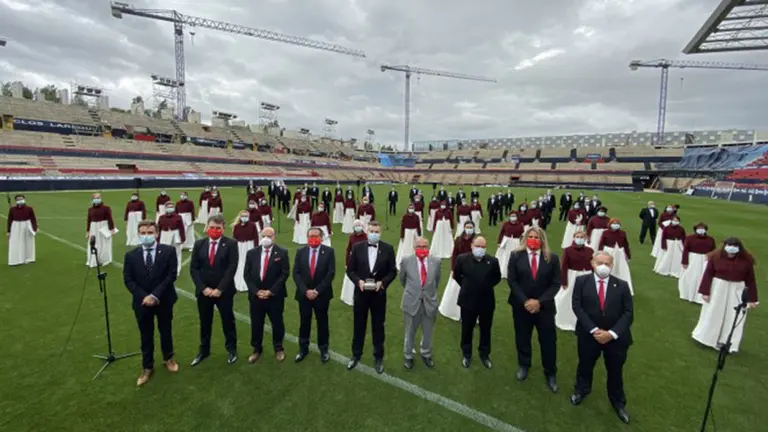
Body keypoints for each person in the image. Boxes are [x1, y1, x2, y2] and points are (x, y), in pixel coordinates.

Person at [570, 251, 634, 425]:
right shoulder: (581, 282)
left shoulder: (622, 285)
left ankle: (618, 402)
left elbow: (628, 313)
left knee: (615, 371)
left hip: (615, 339)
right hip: (588, 336)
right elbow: (577, 307)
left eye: (607, 263)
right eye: (600, 263)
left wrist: (611, 334)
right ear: (592, 263)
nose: (603, 266)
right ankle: (581, 390)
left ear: (612, 265)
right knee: (585, 365)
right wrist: (594, 330)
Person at [122, 220, 179, 387]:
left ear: (157, 233)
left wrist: (155, 295)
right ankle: (147, 367)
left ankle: (168, 358)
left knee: (165, 330)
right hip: (142, 303)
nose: (146, 236)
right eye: (143, 233)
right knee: (145, 334)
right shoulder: (131, 255)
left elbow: (171, 275)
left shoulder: (168, 251)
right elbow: (128, 279)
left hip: (164, 299)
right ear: (138, 234)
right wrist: (144, 297)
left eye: (150, 232)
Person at [507, 226, 562, 393]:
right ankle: (524, 365)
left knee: (548, 341)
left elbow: (556, 284)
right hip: (521, 306)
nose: (533, 240)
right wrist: (525, 301)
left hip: (544, 308)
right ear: (525, 238)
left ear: (542, 240)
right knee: (522, 337)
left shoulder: (552, 258)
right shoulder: (516, 256)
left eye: (537, 237)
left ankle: (550, 372)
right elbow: (512, 280)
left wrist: (539, 302)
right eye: (530, 236)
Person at [346, 221, 397, 374]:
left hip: (378, 296)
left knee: (378, 327)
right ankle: (356, 355)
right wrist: (358, 282)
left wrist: (383, 283)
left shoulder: (388, 248)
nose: (374, 234)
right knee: (358, 326)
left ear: (380, 233)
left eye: (377, 231)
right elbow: (350, 270)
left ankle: (378, 357)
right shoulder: (357, 247)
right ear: (367, 232)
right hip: (361, 294)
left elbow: (392, 271)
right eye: (372, 231)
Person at [692, 238, 759, 353]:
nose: (731, 248)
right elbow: (708, 275)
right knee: (713, 312)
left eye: (735, 246)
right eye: (729, 245)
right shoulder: (715, 258)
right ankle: (706, 338)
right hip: (718, 289)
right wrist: (705, 292)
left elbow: (750, 281)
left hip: (736, 290)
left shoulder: (746, 262)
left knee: (733, 316)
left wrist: (753, 299)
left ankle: (727, 342)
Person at [189, 214, 239, 366]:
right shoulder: (199, 244)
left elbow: (232, 268)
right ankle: (204, 350)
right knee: (205, 322)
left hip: (224, 292)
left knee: (228, 321)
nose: (214, 230)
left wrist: (219, 289)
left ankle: (231, 349)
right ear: (207, 227)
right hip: (204, 292)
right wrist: (203, 288)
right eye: (211, 227)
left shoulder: (231, 244)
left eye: (218, 228)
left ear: (223, 228)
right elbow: (194, 268)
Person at [242, 227, 289, 363]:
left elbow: (284, 274)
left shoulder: (282, 253)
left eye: (269, 236)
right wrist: (256, 291)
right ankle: (256, 349)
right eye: (264, 236)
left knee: (277, 322)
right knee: (256, 323)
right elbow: (247, 275)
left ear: (274, 237)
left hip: (275, 296)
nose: (266, 238)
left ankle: (278, 348)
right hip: (256, 296)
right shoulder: (251, 253)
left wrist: (271, 291)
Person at [454, 236, 502, 369]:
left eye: (483, 247)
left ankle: (484, 354)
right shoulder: (462, 259)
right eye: (477, 246)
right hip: (467, 301)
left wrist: (484, 286)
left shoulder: (493, 261)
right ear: (472, 245)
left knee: (485, 329)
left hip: (486, 301)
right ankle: (466, 354)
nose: (480, 249)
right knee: (467, 328)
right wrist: (467, 286)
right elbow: (457, 275)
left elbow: (497, 278)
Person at [293, 228, 336, 363]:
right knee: (304, 322)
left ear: (321, 238)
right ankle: (303, 349)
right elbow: (296, 273)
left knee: (322, 322)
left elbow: (330, 273)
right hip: (304, 295)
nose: (313, 238)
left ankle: (324, 349)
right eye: (310, 236)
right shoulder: (300, 252)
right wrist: (305, 291)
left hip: (321, 295)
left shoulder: (329, 252)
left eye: (316, 236)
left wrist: (317, 290)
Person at [399, 237, 440, 370]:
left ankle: (425, 353)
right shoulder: (406, 261)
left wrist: (427, 294)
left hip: (429, 303)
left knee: (428, 332)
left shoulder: (436, 262)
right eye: (419, 246)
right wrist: (414, 292)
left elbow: (436, 281)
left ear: (429, 247)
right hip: (412, 302)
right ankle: (408, 355)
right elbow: (402, 280)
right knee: (410, 332)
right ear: (414, 248)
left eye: (424, 246)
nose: (422, 249)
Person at [555, 231, 593, 331]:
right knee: (568, 295)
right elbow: (563, 266)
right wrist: (564, 281)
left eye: (581, 237)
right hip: (572, 276)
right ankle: (564, 316)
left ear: (585, 239)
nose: (579, 238)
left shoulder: (590, 250)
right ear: (574, 238)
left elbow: (593, 264)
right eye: (577, 236)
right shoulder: (568, 250)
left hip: (586, 275)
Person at [439, 220, 476, 321]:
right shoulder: (459, 239)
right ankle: (453, 311)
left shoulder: (475, 241)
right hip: (459, 269)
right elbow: (454, 254)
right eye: (467, 227)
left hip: (471, 270)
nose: (469, 229)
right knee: (454, 290)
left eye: (471, 227)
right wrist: (453, 269)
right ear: (464, 228)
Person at [678, 223, 716, 304]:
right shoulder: (689, 238)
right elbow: (685, 250)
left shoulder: (710, 239)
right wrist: (684, 261)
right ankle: (689, 294)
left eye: (703, 228)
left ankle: (700, 296)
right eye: (699, 228)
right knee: (691, 276)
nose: (701, 230)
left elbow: (713, 251)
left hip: (705, 260)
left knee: (703, 277)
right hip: (693, 259)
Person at [598, 218, 634, 295]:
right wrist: (600, 254)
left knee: (622, 269)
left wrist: (628, 255)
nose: (615, 225)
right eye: (614, 223)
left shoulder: (622, 233)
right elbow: (601, 244)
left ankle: (623, 288)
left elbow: (626, 245)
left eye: (617, 223)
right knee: (609, 269)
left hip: (620, 253)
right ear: (610, 224)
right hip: (609, 252)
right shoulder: (605, 233)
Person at [340, 220, 367, 306]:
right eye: (356, 225)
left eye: (359, 225)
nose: (357, 227)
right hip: (352, 260)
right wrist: (346, 263)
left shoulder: (366, 237)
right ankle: (348, 297)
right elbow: (348, 250)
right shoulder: (351, 237)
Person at [86, 193, 117, 267]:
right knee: (94, 243)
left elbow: (110, 218)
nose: (97, 199)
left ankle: (105, 259)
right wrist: (87, 231)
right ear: (92, 199)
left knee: (104, 243)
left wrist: (112, 229)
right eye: (95, 198)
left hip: (103, 227)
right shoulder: (90, 209)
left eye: (98, 197)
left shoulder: (106, 208)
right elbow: (89, 220)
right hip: (93, 228)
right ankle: (94, 259)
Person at [7, 194, 38, 266]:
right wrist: (8, 231)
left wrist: (34, 228)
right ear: (16, 201)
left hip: (27, 225)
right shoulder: (12, 209)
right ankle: (16, 259)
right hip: (16, 226)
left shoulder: (29, 209)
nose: (20, 200)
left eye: (21, 199)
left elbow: (33, 219)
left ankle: (29, 258)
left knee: (28, 242)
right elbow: (9, 220)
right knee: (15, 242)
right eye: (18, 199)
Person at [233, 210, 259, 293]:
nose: (244, 217)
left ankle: (249, 281)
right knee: (240, 262)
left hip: (249, 245)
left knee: (248, 262)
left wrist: (256, 248)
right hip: (240, 245)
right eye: (243, 216)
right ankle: (239, 280)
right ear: (240, 217)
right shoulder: (237, 226)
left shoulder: (252, 225)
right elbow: (234, 237)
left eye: (246, 216)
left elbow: (256, 237)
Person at [157, 202, 185, 276]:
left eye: (172, 206)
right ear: (165, 208)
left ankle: (177, 269)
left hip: (175, 235)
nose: (170, 208)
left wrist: (182, 238)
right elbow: (159, 229)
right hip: (164, 235)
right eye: (168, 207)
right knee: (164, 252)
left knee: (177, 252)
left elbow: (181, 228)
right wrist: (158, 239)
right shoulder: (161, 217)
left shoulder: (178, 217)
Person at [495, 211, 524, 279]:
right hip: (506, 241)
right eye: (512, 216)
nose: (513, 217)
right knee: (505, 256)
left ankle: (514, 273)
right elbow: (501, 233)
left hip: (515, 242)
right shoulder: (506, 224)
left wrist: (522, 243)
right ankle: (504, 272)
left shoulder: (520, 225)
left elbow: (522, 235)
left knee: (514, 257)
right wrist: (499, 242)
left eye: (514, 216)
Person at [395, 203, 422, 270]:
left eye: (412, 208)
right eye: (410, 208)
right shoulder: (405, 217)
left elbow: (418, 226)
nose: (411, 209)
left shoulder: (416, 216)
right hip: (407, 233)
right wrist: (402, 236)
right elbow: (403, 227)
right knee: (406, 246)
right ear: (408, 208)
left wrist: (419, 234)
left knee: (414, 246)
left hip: (414, 233)